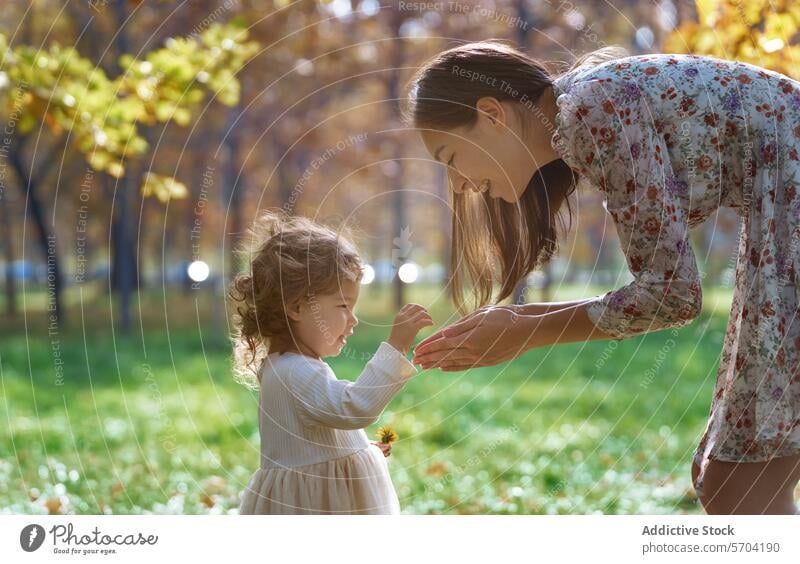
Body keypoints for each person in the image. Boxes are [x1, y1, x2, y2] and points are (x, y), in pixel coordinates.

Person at [405, 40, 800, 514]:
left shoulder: (595, 108)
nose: (457, 184)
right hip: (781, 219)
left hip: (787, 216)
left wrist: (527, 330)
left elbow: (671, 295)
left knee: (739, 487)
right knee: (733, 483)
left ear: (492, 114)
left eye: (450, 157)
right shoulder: (585, 111)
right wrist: (523, 323)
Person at [230, 211, 432, 514]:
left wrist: (359, 453)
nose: (353, 320)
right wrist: (397, 346)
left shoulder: (291, 366)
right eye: (343, 305)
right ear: (297, 306)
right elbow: (355, 407)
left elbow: (319, 437)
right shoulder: (292, 372)